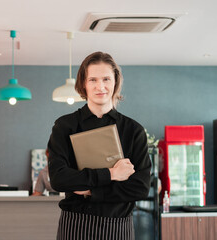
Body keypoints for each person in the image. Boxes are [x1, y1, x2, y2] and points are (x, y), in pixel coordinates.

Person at [47, 51, 151, 239]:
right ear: (83, 84)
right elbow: (59, 179)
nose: (100, 86)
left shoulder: (134, 130)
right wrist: (111, 174)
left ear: (115, 82)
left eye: (106, 79)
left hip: (119, 227)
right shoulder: (65, 126)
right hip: (76, 226)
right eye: (93, 80)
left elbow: (140, 187)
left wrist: (90, 190)